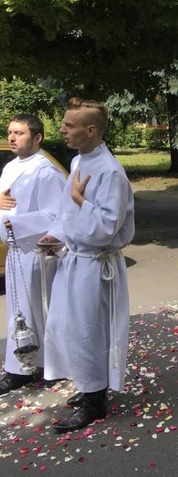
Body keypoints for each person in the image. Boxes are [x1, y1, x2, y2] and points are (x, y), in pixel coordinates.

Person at [40, 98, 135, 433]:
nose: (62, 129)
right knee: (67, 328)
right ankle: (88, 386)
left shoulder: (110, 171)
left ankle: (95, 402)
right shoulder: (80, 160)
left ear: (90, 130)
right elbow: (68, 215)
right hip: (75, 261)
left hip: (95, 267)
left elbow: (108, 227)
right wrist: (55, 236)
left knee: (88, 332)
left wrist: (81, 200)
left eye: (68, 125)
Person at [0, 114, 65, 395]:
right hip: (14, 252)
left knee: (40, 310)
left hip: (35, 253)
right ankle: (20, 367)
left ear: (37, 138)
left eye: (19, 133)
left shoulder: (45, 171)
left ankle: (52, 366)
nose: (12, 137)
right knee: (17, 313)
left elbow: (56, 214)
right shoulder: (9, 168)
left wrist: (18, 221)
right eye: (10, 132)